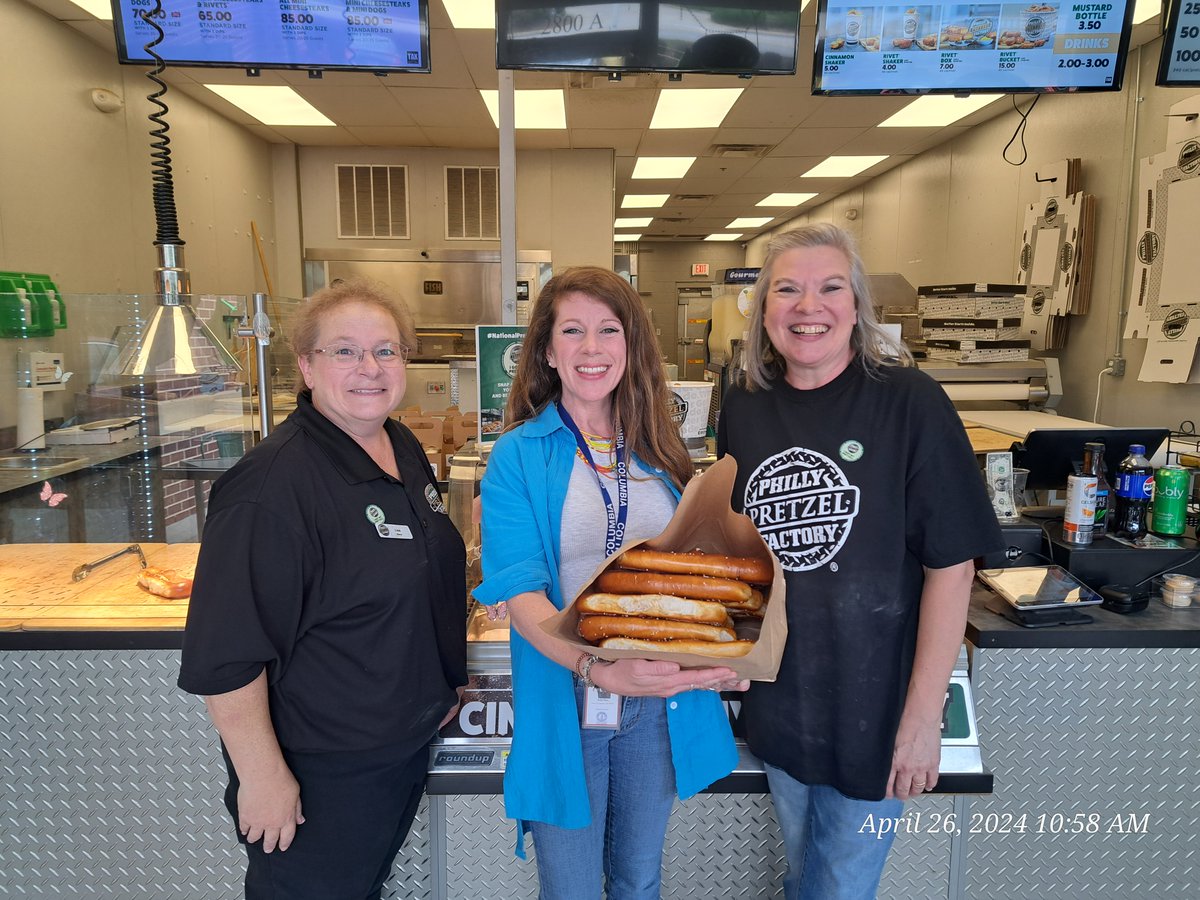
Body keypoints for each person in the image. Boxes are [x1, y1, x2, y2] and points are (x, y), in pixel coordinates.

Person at [717, 224, 1002, 900]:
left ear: (857, 306)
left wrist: (920, 718)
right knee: (803, 874)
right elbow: (739, 550)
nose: (807, 306)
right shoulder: (746, 407)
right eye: (786, 289)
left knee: (839, 888)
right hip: (780, 703)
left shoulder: (910, 403)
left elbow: (952, 566)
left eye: (829, 287)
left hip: (875, 707)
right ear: (763, 311)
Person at [178, 278, 467, 900]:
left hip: (393, 752)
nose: (370, 368)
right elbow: (226, 655)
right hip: (319, 772)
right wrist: (263, 778)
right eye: (345, 351)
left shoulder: (398, 444)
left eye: (386, 351)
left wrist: (439, 682)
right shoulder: (271, 489)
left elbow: (418, 574)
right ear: (307, 367)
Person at [474, 266, 746, 899]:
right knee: (569, 889)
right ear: (547, 348)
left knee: (637, 880)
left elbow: (694, 579)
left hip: (659, 703)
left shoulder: (663, 450)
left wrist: (730, 650)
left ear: (631, 347)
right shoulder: (519, 454)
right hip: (568, 697)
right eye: (572, 330)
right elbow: (521, 594)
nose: (591, 348)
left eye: (608, 330)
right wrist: (597, 670)